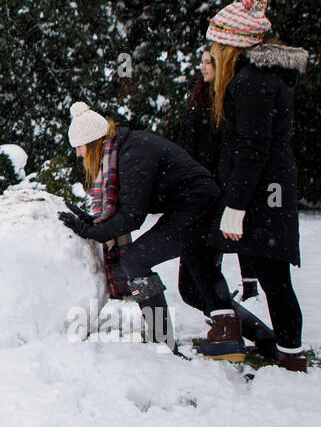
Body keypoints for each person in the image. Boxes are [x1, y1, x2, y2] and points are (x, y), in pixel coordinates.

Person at [57, 101, 219, 350]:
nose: (79, 154)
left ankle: (163, 340)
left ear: (92, 143)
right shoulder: (122, 149)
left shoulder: (132, 154)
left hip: (198, 209)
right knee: (193, 290)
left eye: (79, 147)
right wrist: (91, 221)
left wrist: (89, 231)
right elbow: (126, 207)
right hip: (190, 207)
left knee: (135, 259)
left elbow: (132, 216)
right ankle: (257, 336)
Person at [204, 0, 310, 372]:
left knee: (273, 276)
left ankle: (290, 356)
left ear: (232, 44)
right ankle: (288, 352)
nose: (212, 50)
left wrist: (235, 205)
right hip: (269, 190)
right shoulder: (264, 77)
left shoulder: (250, 82)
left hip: (263, 195)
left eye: (216, 43)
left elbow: (252, 149)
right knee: (272, 275)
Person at [175, 49, 277, 360]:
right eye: (202, 60)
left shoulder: (229, 106)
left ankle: (230, 332)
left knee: (199, 272)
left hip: (210, 201)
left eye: (210, 61)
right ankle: (257, 333)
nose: (203, 66)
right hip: (195, 196)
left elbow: (230, 157)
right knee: (191, 286)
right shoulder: (201, 100)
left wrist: (216, 196)